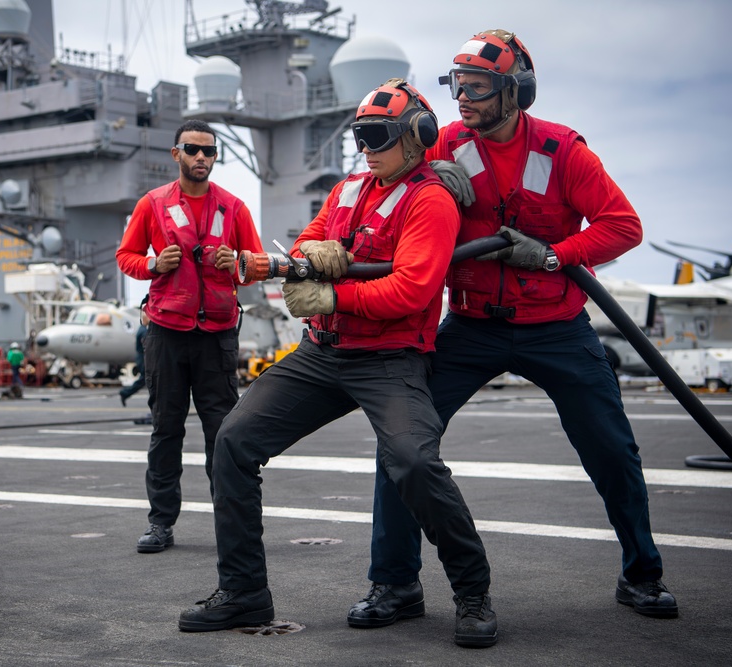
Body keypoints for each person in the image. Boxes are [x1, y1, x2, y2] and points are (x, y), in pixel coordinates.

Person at [364, 29, 677, 625]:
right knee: (403, 450)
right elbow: (392, 209)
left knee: (613, 449)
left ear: (517, 93)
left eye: (477, 87)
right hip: (472, 325)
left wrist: (554, 254)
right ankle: (395, 585)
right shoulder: (443, 146)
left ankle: (642, 575)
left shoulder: (563, 151)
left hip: (556, 327)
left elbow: (622, 226)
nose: (463, 99)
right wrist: (427, 185)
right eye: (458, 86)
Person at [178, 80, 499, 648]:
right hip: (322, 354)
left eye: (377, 135)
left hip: (389, 359)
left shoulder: (430, 200)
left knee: (413, 464)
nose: (366, 147)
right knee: (233, 442)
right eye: (360, 136)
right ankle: (244, 592)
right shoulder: (350, 187)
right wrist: (306, 259)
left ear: (417, 137)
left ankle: (472, 593)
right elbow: (309, 240)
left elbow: (412, 290)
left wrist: (331, 293)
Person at [116, 119, 264, 555]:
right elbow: (126, 256)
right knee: (166, 430)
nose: (202, 158)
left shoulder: (234, 208)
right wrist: (153, 266)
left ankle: (231, 525)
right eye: (193, 149)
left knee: (224, 433)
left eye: (210, 151)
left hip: (217, 336)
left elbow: (255, 266)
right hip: (166, 333)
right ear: (176, 154)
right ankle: (160, 523)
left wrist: (235, 260)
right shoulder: (152, 204)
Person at [118, 307, 148, 407]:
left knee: (144, 380)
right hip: (143, 359)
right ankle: (125, 393)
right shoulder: (144, 331)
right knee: (145, 379)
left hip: (141, 358)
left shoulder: (141, 329)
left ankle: (125, 393)